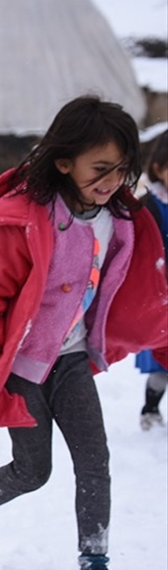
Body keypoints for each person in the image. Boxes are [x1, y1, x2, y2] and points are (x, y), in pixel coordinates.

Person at [0, 96, 168, 570]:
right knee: (32, 470)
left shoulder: (120, 222)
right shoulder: (28, 223)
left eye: (121, 170)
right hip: (22, 368)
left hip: (72, 361)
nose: (111, 181)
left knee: (94, 460)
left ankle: (94, 564)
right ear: (64, 162)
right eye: (100, 169)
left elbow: (134, 284)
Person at [135, 131, 168, 431]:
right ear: (159, 168)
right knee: (163, 364)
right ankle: (150, 408)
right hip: (161, 296)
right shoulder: (149, 208)